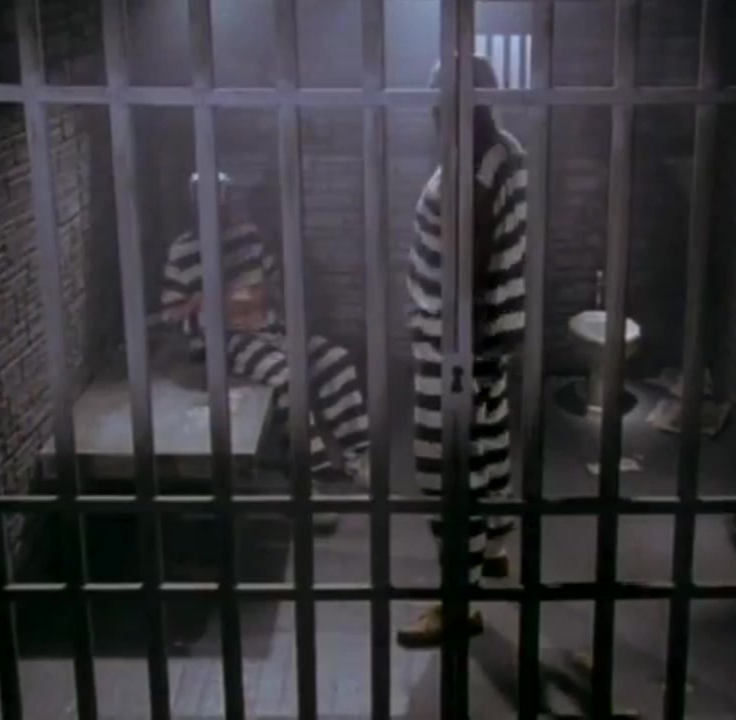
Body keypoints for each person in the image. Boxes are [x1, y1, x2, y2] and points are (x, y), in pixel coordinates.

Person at [396, 56, 528, 648]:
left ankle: (459, 602)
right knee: (489, 446)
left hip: (456, 343)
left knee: (447, 471)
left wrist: (458, 354)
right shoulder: (502, 151)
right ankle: (492, 549)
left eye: (437, 97)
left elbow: (468, 268)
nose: (430, 108)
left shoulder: (474, 169)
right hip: (487, 338)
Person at [158, 172, 370, 531]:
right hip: (225, 342)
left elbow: (275, 284)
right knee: (286, 378)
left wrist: (269, 295)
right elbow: (170, 314)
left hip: (272, 330)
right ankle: (307, 479)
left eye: (224, 201)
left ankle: (358, 457)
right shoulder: (182, 251)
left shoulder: (248, 236)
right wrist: (207, 305)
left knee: (336, 361)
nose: (221, 210)